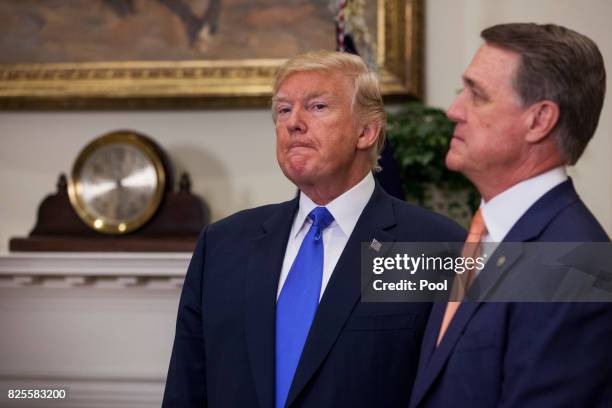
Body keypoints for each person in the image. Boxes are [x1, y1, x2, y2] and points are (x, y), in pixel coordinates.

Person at [162, 51, 465, 408]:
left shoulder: (437, 245)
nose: (293, 123)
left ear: (366, 132)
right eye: (283, 110)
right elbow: (187, 387)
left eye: (317, 106)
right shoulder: (223, 244)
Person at [409, 23, 612, 407]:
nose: (454, 110)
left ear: (539, 121)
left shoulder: (579, 269)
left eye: (478, 95)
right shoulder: (472, 239)